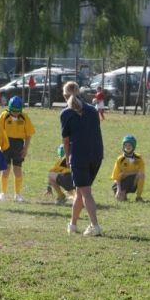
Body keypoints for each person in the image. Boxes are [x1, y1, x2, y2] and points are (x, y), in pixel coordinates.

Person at [61, 81, 103, 236]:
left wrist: (67, 158)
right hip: (97, 154)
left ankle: (95, 226)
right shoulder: (92, 110)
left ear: (64, 95)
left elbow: (66, 141)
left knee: (85, 192)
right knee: (80, 191)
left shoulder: (66, 113)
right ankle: (72, 224)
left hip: (80, 156)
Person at [0, 96, 36, 202]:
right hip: (6, 145)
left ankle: (17, 194)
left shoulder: (24, 117)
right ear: (9, 108)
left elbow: (28, 135)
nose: (15, 113)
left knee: (17, 169)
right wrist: (0, 146)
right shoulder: (4, 116)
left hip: (18, 145)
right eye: (13, 111)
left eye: (18, 111)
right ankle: (3, 193)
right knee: (6, 169)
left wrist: (25, 148)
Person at [111, 135, 145, 202]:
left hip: (133, 181)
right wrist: (118, 190)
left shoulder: (139, 158)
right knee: (121, 200)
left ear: (133, 146)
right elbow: (116, 177)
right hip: (121, 183)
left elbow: (141, 172)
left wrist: (126, 174)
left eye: (129, 145)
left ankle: (138, 197)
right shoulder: (120, 159)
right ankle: (123, 194)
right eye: (125, 145)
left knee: (141, 175)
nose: (127, 147)